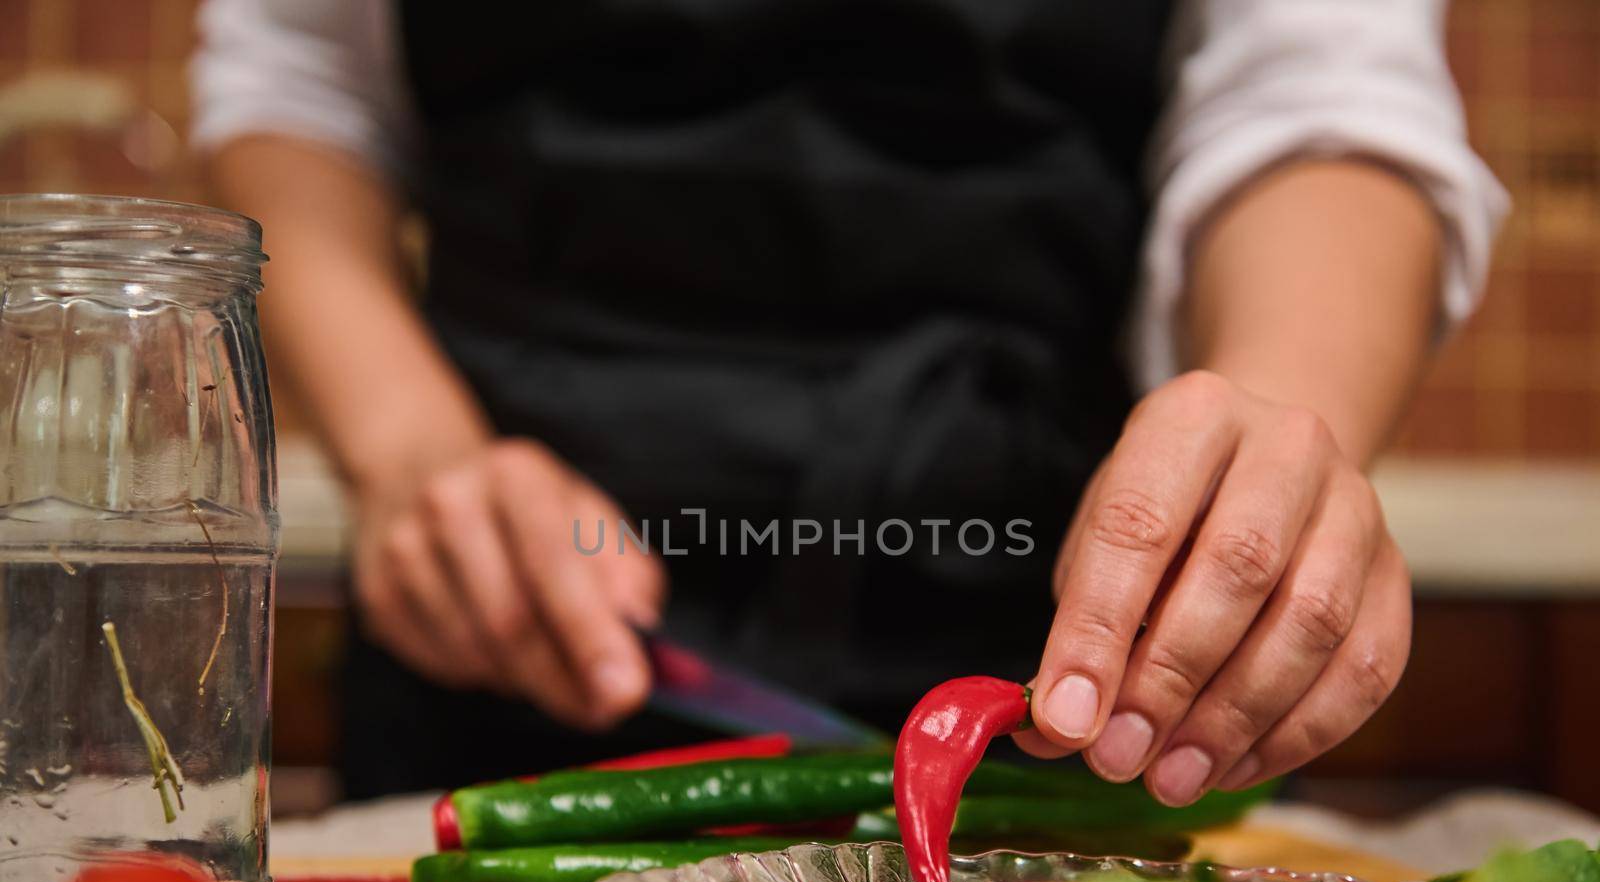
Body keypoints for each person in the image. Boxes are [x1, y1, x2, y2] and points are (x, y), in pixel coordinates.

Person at [190, 0, 1505, 805]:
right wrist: (413, 451)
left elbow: (1317, 91)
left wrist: (1275, 425)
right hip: (512, 626)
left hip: (1064, 648)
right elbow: (299, 88)